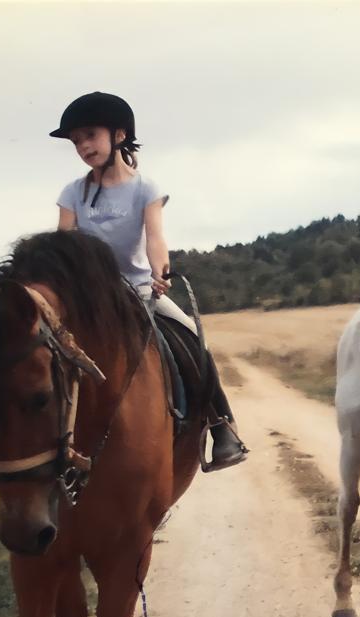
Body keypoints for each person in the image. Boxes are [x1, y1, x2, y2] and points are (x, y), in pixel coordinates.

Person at [50, 92, 245, 471]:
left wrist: (161, 273)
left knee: (192, 337)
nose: (83, 146)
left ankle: (222, 426)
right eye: (76, 141)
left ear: (119, 134)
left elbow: (155, 237)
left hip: (138, 291)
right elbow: (63, 244)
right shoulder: (72, 193)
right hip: (87, 297)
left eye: (89, 135)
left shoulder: (145, 189)